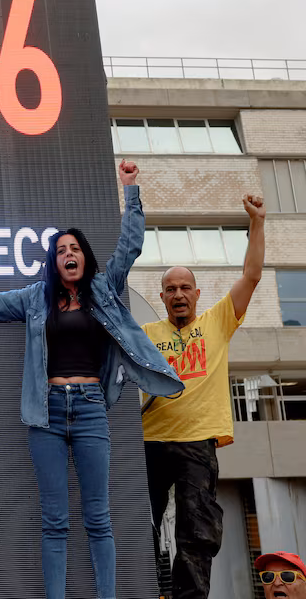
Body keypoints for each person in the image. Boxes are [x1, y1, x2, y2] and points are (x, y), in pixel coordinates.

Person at [0, 160, 184, 599]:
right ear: (54, 261)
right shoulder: (35, 299)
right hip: (45, 413)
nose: (69, 254)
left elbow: (131, 244)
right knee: (54, 521)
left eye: (75, 248)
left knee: (99, 518)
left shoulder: (104, 290)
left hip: (90, 409)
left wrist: (131, 189)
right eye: (61, 250)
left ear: (84, 257)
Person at [141, 194, 266, 599]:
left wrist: (257, 222)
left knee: (197, 530)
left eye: (184, 288)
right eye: (170, 289)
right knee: (139, 525)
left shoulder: (218, 321)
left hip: (197, 442)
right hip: (149, 441)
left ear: (197, 293)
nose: (178, 294)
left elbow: (251, 276)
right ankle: (143, 589)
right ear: (162, 297)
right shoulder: (145, 334)